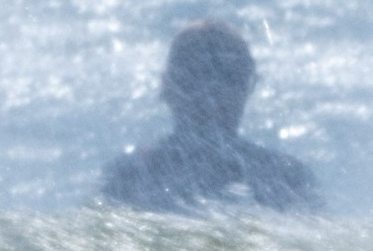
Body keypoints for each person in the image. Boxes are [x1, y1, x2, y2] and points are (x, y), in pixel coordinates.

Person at [102, 21, 319, 212]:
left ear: (166, 87)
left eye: (228, 79)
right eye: (197, 77)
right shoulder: (283, 177)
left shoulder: (132, 175)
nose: (211, 94)